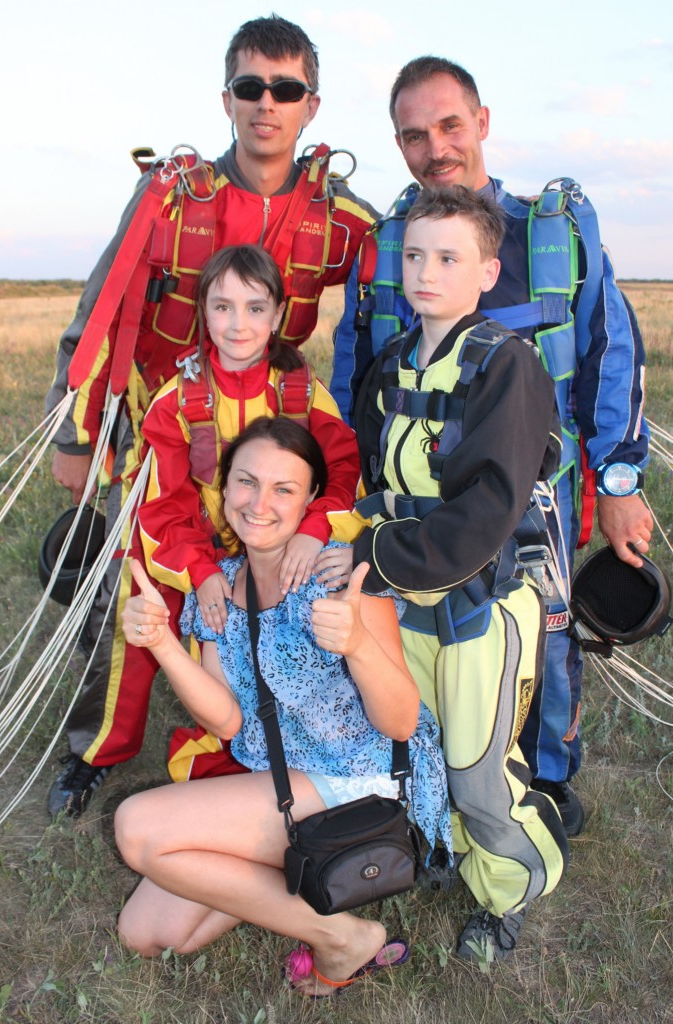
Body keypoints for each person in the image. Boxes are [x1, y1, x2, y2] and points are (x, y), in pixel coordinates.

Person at [44, 14, 376, 816]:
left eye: (286, 89)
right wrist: (77, 429)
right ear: (226, 98)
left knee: (285, 603)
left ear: (310, 106)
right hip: (168, 433)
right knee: (129, 596)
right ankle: (98, 746)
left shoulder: (342, 218)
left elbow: (418, 273)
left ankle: (277, 745)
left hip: (274, 437)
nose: (267, 103)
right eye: (250, 86)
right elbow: (103, 304)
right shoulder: (171, 195)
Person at [331, 55, 652, 837]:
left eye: (449, 125)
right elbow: (354, 371)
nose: (435, 147)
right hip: (418, 497)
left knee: (541, 631)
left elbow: (608, 353)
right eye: (413, 135)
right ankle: (433, 776)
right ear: (397, 145)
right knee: (426, 633)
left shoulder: (551, 235)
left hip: (535, 497)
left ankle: (544, 776)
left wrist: (617, 482)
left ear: (481, 122)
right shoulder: (388, 250)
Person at [115, 416, 451, 998]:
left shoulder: (343, 574)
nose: (260, 503)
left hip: (365, 779)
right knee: (148, 933)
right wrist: (163, 643)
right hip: (285, 782)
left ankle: (343, 938)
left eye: (284, 489)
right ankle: (288, 878)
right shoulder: (220, 587)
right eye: (246, 482)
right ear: (225, 488)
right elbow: (226, 720)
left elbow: (400, 722)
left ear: (310, 499)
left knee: (137, 827)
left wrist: (357, 645)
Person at [352, 185, 569, 963]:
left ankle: (511, 888)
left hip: (480, 606)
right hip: (401, 605)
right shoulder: (391, 363)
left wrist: (370, 556)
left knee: (478, 771)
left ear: (486, 272)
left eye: (448, 258)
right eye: (414, 255)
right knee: (421, 748)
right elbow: (371, 477)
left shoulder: (507, 366)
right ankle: (445, 850)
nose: (425, 272)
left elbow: (485, 512)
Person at [139, 244, 361, 639]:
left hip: (297, 560)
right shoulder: (174, 404)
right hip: (216, 575)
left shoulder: (303, 393)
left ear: (277, 315)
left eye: (255, 308)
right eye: (223, 307)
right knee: (220, 670)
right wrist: (200, 571)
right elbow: (162, 509)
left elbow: (345, 473)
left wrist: (315, 529)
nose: (238, 325)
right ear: (204, 312)